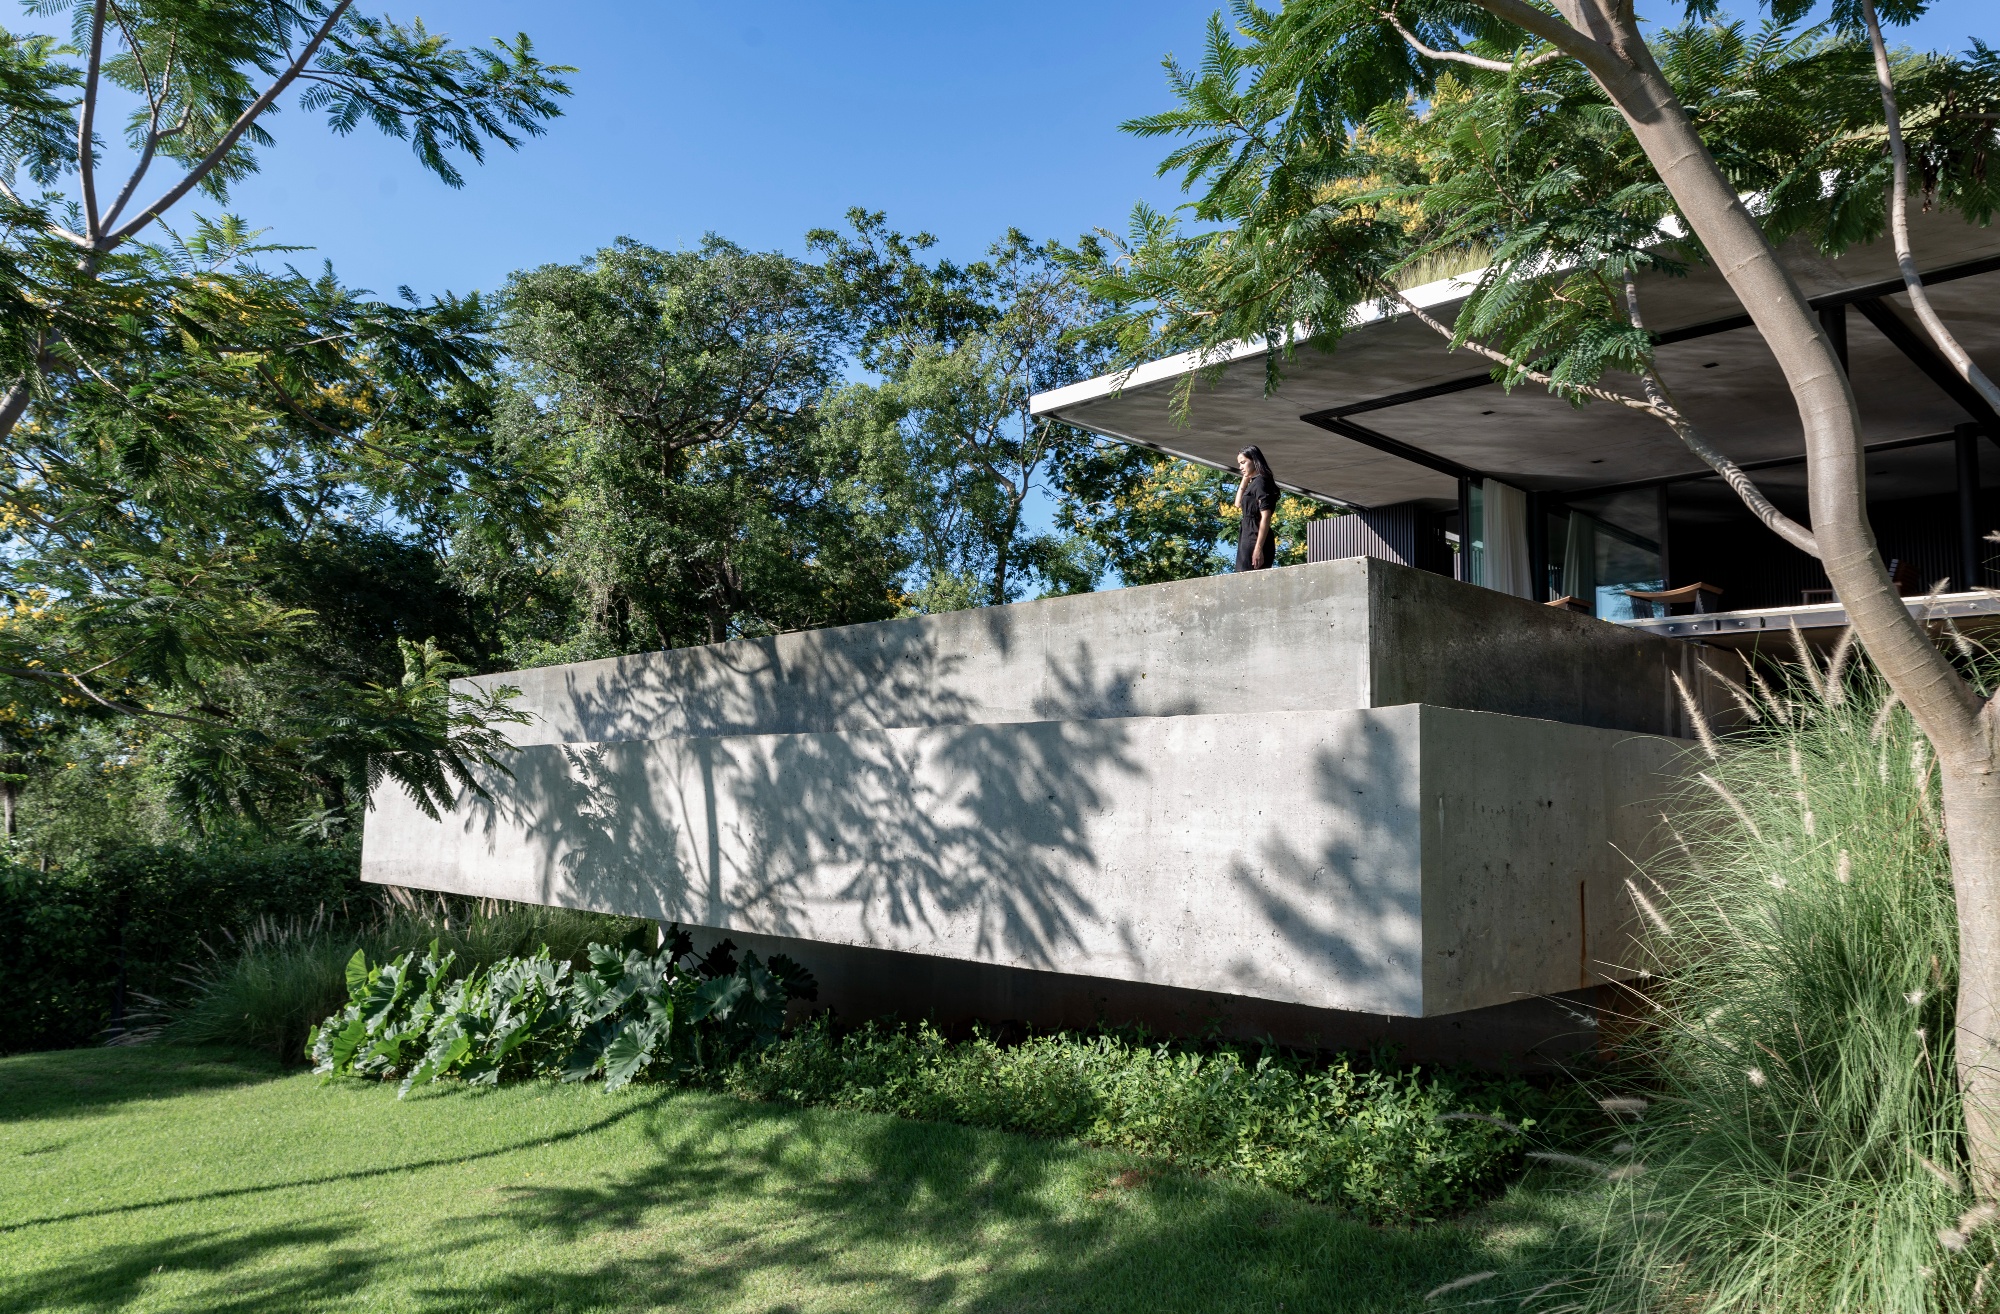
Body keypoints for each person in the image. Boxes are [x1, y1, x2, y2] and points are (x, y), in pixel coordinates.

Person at [1234, 445, 1279, 572]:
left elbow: (1266, 516)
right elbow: (1237, 504)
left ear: (1254, 460)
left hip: (1255, 537)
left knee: (1248, 575)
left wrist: (1258, 548)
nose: (1240, 467)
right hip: (1247, 534)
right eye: (1239, 464)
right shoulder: (1254, 482)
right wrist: (1245, 480)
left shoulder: (1260, 482)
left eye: (1243, 462)